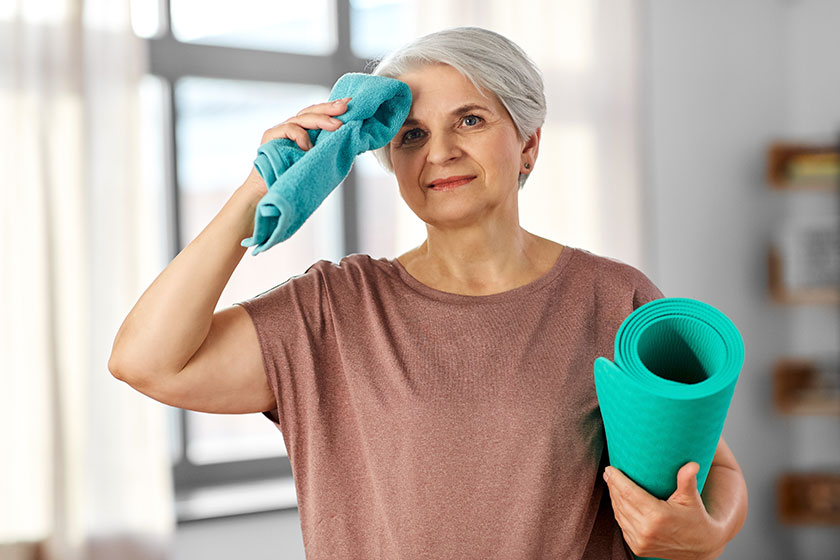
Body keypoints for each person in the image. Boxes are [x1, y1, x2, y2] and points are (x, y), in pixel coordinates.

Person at [109, 26, 747, 560]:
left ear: (527, 143)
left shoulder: (613, 298)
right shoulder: (334, 310)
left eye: (469, 120)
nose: (439, 152)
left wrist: (708, 531)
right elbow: (146, 361)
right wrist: (258, 187)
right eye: (411, 134)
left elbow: (712, 469)